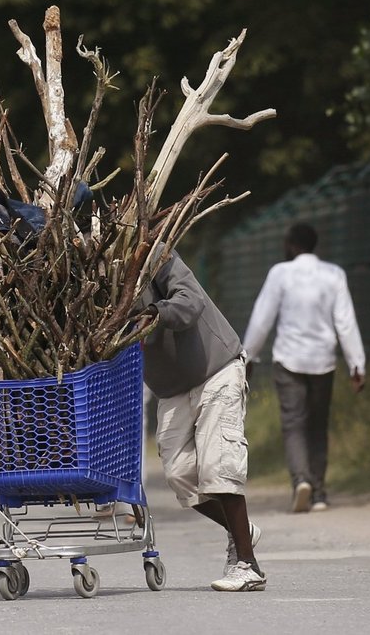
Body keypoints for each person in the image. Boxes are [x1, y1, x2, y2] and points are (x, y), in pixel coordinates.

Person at [138, 246, 265, 592]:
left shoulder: (154, 254)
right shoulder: (89, 285)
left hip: (216, 370)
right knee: (180, 475)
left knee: (218, 467)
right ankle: (242, 532)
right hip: (171, 388)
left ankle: (247, 565)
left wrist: (155, 313)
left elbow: (190, 301)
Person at [242, 223, 366, 513]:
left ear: (292, 245)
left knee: (293, 423)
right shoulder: (334, 274)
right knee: (318, 426)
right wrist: (356, 364)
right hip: (323, 361)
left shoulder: (280, 274)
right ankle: (320, 493)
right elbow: (345, 322)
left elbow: (262, 318)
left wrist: (249, 356)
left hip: (289, 361)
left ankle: (301, 481)